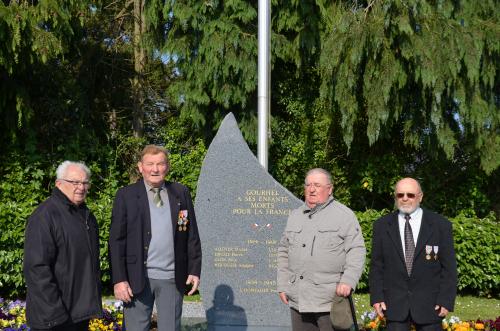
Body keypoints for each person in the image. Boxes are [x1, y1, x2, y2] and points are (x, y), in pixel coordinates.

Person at [109, 145, 202, 331]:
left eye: (160, 164)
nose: (155, 169)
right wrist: (119, 279)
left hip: (172, 278)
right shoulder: (126, 196)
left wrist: (194, 269)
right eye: (150, 164)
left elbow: (190, 233)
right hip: (136, 279)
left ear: (167, 167)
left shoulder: (180, 193)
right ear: (140, 167)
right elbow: (116, 241)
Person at [277, 168, 366, 331]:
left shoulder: (344, 215)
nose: (311, 189)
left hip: (329, 300)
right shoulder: (295, 216)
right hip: (299, 299)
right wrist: (282, 284)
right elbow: (284, 251)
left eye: (317, 185)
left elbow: (356, 250)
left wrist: (348, 280)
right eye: (308, 185)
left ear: (329, 189)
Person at [369, 177, 457, 331]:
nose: (404, 198)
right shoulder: (382, 226)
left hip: (431, 305)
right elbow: (377, 266)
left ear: (420, 197)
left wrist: (446, 299)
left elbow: (449, 268)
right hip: (394, 305)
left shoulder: (440, 225)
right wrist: (377, 297)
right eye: (400, 195)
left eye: (410, 195)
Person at [23, 161, 102, 331]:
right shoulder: (45, 216)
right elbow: (36, 269)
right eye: (74, 182)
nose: (81, 187)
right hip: (54, 317)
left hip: (79, 314)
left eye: (85, 182)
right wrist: (55, 312)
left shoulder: (87, 216)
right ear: (59, 184)